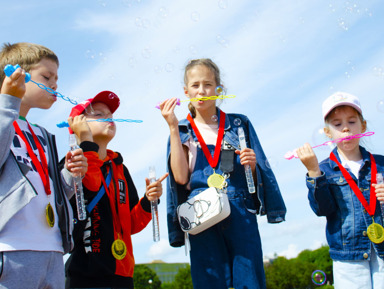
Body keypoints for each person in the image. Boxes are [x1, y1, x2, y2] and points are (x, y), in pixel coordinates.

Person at [159, 58, 286, 289]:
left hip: (239, 205)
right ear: (185, 92)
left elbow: (261, 171)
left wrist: (253, 164)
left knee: (249, 279)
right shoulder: (181, 130)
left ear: (218, 89)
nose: (201, 91)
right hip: (200, 209)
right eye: (195, 85)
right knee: (209, 281)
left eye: (208, 84)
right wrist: (171, 127)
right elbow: (179, 178)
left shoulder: (239, 123)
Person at [0, 42, 88, 289]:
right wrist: (7, 102)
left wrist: (70, 175)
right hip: (11, 249)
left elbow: (56, 192)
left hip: (52, 250)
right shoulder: (2, 119)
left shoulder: (42, 134)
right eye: (46, 76)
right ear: (16, 74)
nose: (54, 85)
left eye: (56, 78)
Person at [65, 91, 168, 289]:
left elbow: (132, 225)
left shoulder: (119, 168)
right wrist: (86, 143)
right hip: (86, 273)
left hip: (123, 273)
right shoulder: (73, 164)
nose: (109, 119)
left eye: (111, 116)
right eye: (99, 114)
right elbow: (91, 185)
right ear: (77, 123)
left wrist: (148, 200)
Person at [297, 92, 384, 289]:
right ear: (328, 133)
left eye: (352, 121)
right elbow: (322, 209)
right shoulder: (324, 170)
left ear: (363, 126)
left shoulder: (381, 164)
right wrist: (313, 171)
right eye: (337, 124)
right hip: (347, 255)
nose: (345, 128)